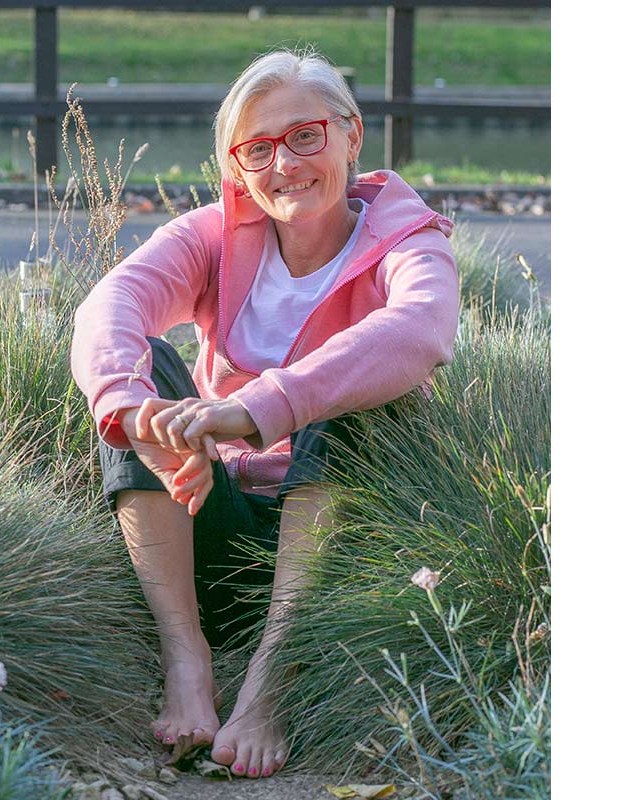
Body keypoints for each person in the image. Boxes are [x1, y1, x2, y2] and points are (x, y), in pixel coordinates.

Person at [71, 48, 459, 779]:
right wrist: (134, 414)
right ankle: (187, 656)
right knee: (139, 372)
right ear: (237, 168)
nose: (284, 164)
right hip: (211, 527)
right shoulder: (214, 235)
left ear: (351, 136)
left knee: (363, 383)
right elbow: (109, 306)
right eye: (258, 149)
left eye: (305, 136)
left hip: (343, 551)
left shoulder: (411, 242)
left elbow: (419, 329)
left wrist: (254, 408)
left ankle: (269, 682)